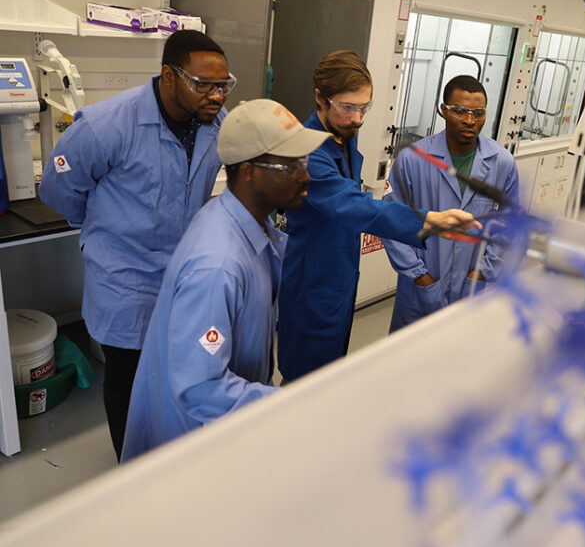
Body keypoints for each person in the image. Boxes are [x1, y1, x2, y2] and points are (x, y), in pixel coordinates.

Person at [38, 30, 233, 461]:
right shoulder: (107, 125)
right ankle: (131, 465)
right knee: (127, 374)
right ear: (169, 76)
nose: (216, 95)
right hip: (125, 277)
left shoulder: (213, 122)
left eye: (223, 85)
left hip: (183, 273)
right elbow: (57, 189)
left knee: (175, 366)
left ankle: (167, 458)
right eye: (203, 84)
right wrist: (102, 230)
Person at [120, 99, 330, 462]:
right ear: (249, 172)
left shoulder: (248, 222)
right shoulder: (217, 266)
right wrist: (290, 402)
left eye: (304, 163)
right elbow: (200, 386)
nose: (305, 176)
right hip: (196, 437)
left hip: (228, 421)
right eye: (291, 165)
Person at [276, 51, 478, 382]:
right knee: (304, 384)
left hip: (339, 280)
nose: (357, 118)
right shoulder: (308, 151)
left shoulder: (342, 140)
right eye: (346, 107)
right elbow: (352, 204)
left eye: (363, 107)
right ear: (320, 98)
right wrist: (427, 221)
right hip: (313, 284)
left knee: (329, 375)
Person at [382, 75, 520, 332]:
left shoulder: (501, 162)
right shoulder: (413, 159)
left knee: (460, 361)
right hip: (420, 288)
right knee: (408, 361)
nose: (470, 120)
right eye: (460, 111)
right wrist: (419, 275)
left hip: (472, 288)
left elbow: (511, 223)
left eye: (478, 113)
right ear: (444, 110)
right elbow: (391, 220)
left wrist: (483, 272)